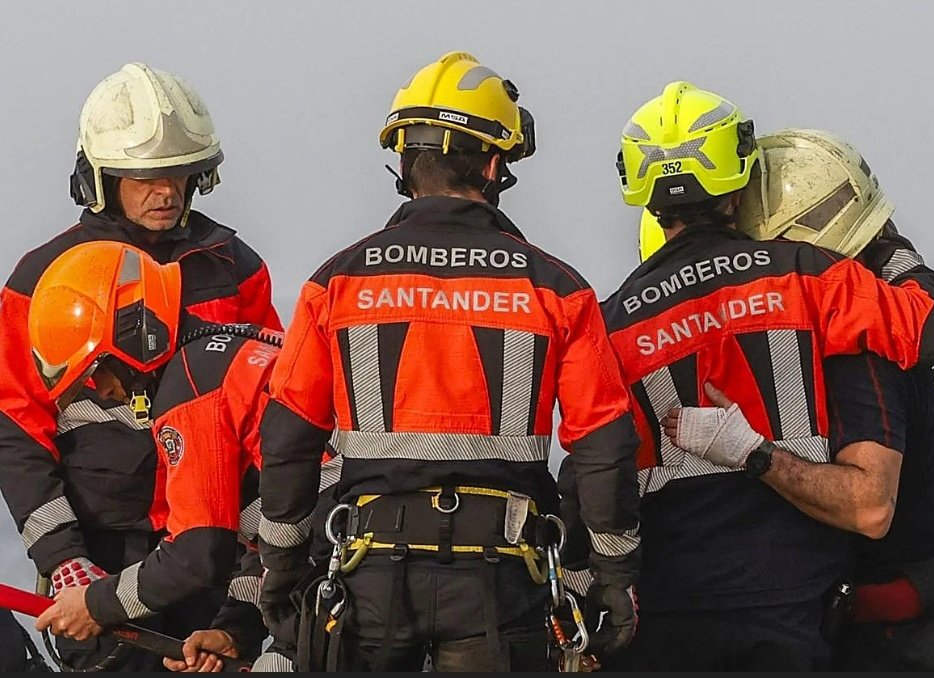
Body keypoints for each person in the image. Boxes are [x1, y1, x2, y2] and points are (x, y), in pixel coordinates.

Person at [256, 51, 641, 672]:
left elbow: (288, 440)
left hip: (369, 576)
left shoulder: (337, 283)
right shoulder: (557, 288)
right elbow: (602, 444)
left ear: (405, 163)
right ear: (494, 165)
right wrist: (616, 578)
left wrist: (280, 571)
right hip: (503, 579)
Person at [600, 82, 934, 670]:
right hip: (801, 617)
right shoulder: (815, 282)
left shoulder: (609, 322)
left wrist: (600, 589)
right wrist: (890, 247)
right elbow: (929, 329)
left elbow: (594, 473)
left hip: (667, 621)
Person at [0, 62, 282, 671]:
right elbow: (16, 427)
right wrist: (61, 558)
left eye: (179, 174)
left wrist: (246, 592)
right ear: (101, 179)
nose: (167, 192)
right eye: (146, 177)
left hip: (216, 550)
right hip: (102, 551)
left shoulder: (234, 268)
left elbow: (269, 424)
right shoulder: (40, 280)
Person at [24, 241, 278, 670]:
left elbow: (197, 555)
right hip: (360, 546)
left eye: (97, 371)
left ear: (130, 337)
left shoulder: (190, 394)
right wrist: (237, 631)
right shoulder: (225, 360)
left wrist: (94, 604)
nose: (102, 390)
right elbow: (272, 539)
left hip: (351, 561)